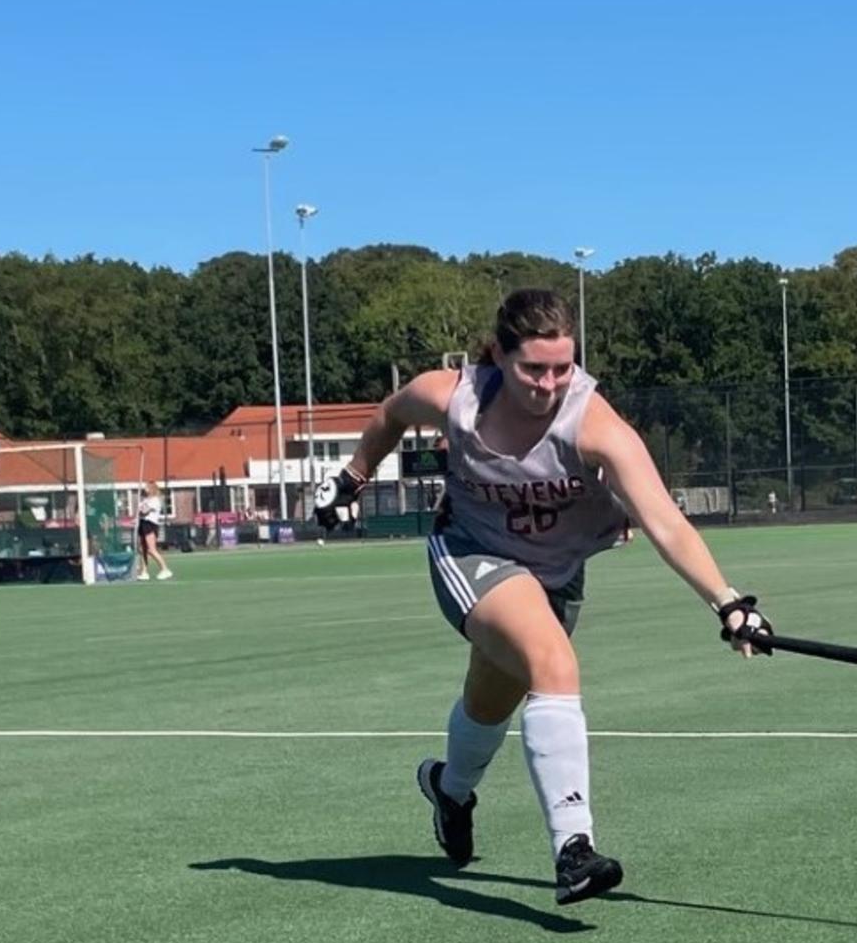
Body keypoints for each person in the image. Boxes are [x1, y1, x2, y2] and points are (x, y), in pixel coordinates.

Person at [313, 289, 772, 906]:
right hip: (471, 552)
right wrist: (351, 480)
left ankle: (449, 789)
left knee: (491, 697)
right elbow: (391, 416)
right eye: (533, 368)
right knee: (553, 664)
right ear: (500, 354)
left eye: (563, 367)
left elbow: (666, 521)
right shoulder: (451, 395)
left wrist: (727, 602)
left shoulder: (595, 422)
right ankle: (574, 851)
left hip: (556, 574)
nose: (549, 383)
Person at [133, 485, 175, 582]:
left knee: (151, 549)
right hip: (143, 523)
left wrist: (141, 508)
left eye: (147, 487)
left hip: (150, 524)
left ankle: (165, 569)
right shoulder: (145, 499)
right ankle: (144, 572)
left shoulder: (155, 500)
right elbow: (140, 513)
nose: (144, 488)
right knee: (142, 549)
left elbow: (145, 512)